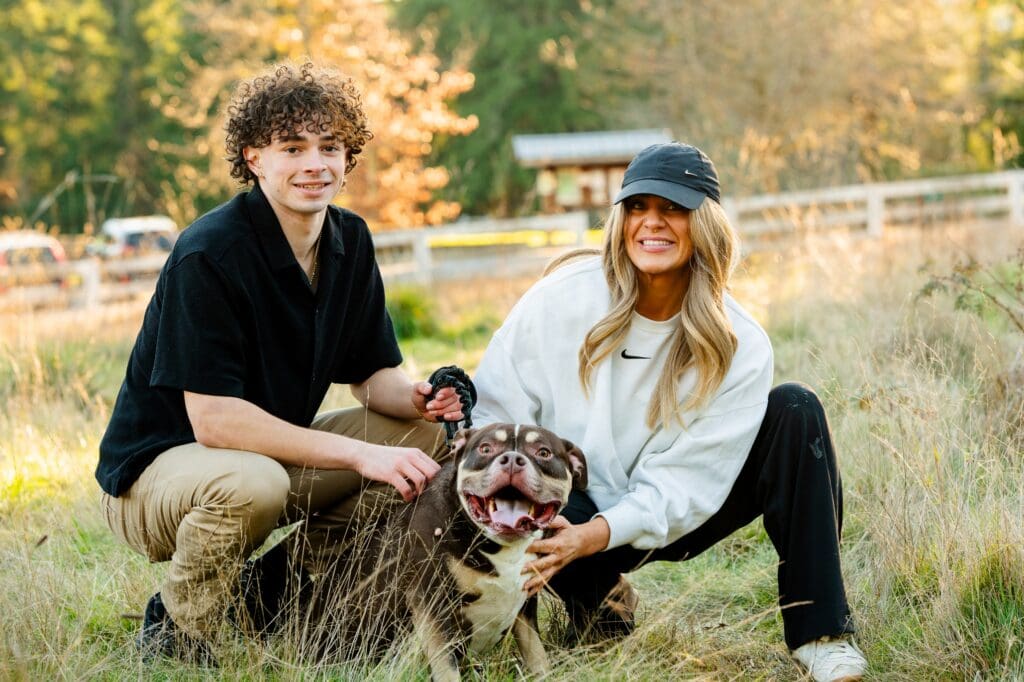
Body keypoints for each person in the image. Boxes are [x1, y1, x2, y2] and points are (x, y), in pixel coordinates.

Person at [95, 62, 465, 661]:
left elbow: (372, 379)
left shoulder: (350, 241)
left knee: (423, 438)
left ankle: (267, 593)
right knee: (256, 483)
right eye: (292, 147)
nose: (314, 164)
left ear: (348, 158)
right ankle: (176, 633)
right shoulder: (210, 253)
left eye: (330, 146)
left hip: (261, 460)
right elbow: (215, 423)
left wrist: (419, 397)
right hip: (156, 478)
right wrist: (361, 454)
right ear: (255, 157)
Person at [471, 142, 868, 681]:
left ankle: (820, 636)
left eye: (673, 208)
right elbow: (496, 414)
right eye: (637, 207)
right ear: (619, 218)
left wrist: (603, 533)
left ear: (704, 222)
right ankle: (598, 602)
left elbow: (689, 483)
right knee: (527, 492)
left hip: (669, 514)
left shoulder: (740, 342)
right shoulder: (561, 299)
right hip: (565, 510)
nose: (651, 223)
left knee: (797, 410)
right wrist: (554, 521)